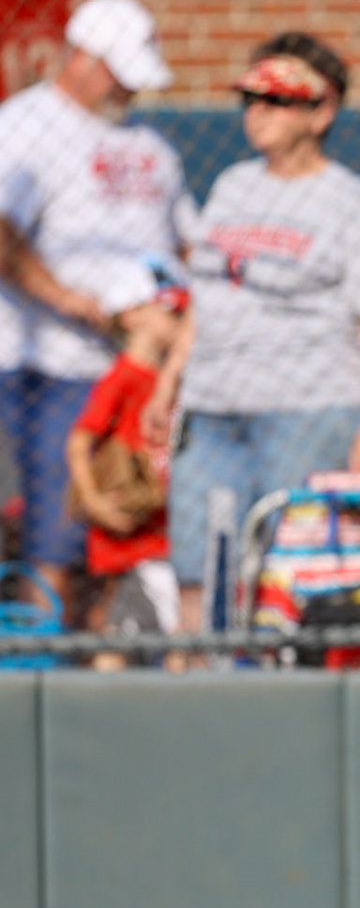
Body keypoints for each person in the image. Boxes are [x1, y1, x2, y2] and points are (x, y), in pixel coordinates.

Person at [150, 32, 360, 643]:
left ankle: (277, 702)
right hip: (212, 411)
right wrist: (169, 384)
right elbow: (204, 298)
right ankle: (200, 691)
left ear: (323, 112)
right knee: (197, 568)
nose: (258, 111)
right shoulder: (232, 186)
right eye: (250, 98)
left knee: (287, 570)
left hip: (308, 410)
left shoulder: (351, 201)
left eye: (278, 99)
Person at [0, 0, 190, 624]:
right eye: (117, 72)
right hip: (53, 364)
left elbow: (185, 239)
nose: (128, 91)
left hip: (144, 368)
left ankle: (89, 660)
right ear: (82, 58)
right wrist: (78, 305)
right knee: (59, 526)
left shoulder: (148, 143)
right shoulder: (25, 125)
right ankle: (43, 660)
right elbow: (4, 233)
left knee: (121, 530)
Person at [64, 261, 188, 667]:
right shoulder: (123, 378)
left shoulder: (174, 377)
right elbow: (80, 441)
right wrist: (94, 500)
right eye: (171, 312)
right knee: (181, 633)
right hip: (137, 537)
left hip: (159, 529)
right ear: (132, 315)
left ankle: (101, 710)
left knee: (123, 634)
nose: (181, 321)